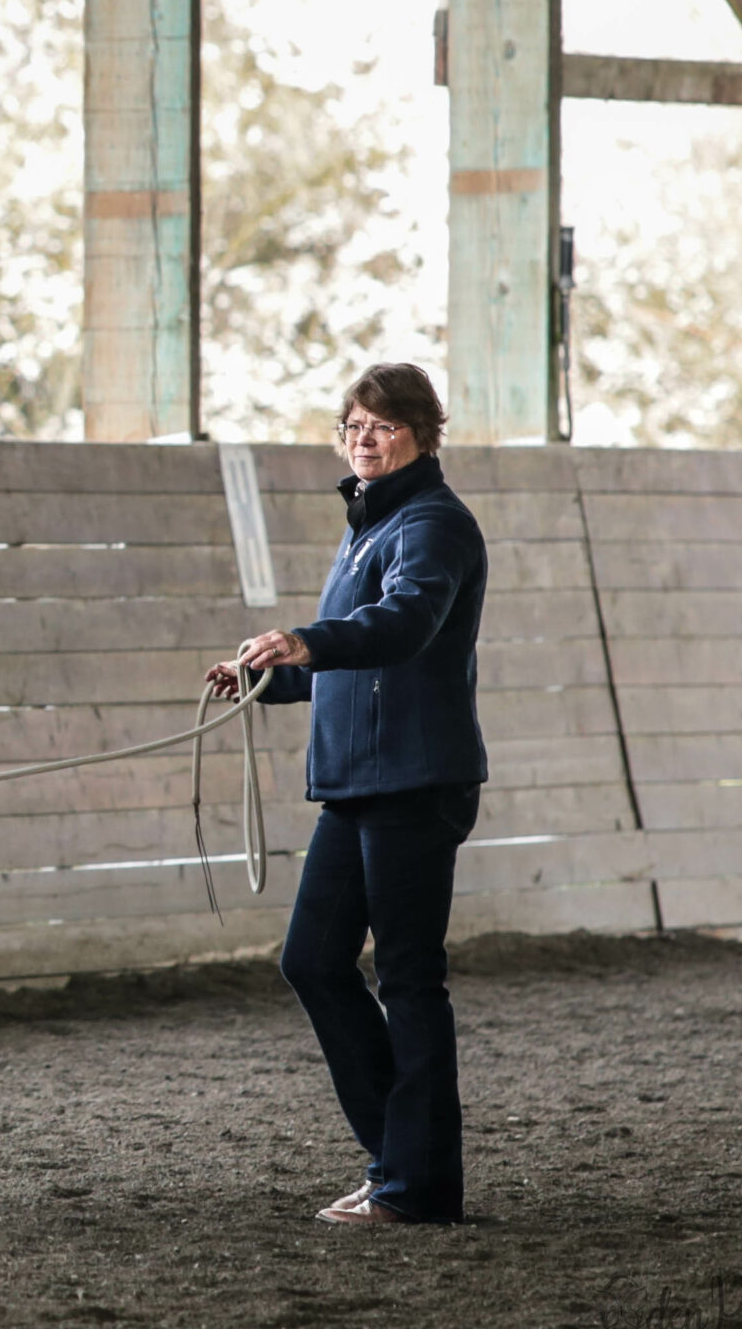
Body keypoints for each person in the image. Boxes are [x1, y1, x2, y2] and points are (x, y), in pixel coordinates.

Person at [205, 363, 487, 1227]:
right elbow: (352, 666)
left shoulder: (432, 525)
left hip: (413, 781)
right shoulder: (372, 525)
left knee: (408, 979)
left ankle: (417, 1181)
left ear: (423, 434)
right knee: (313, 962)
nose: (364, 440)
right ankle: (400, 1160)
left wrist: (304, 638)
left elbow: (402, 628)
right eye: (353, 426)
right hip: (362, 784)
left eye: (383, 426)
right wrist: (268, 678)